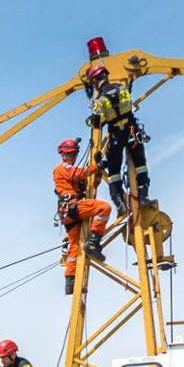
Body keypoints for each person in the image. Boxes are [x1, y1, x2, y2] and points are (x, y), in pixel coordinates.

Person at [85, 62, 154, 216]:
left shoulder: (100, 101)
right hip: (131, 132)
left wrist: (92, 119)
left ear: (95, 82)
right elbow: (129, 106)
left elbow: (97, 124)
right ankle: (143, 196)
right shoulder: (122, 89)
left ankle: (119, 202)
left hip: (116, 135)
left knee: (114, 170)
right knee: (140, 163)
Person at [52, 137, 110, 295]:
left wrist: (98, 169)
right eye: (70, 154)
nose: (73, 157)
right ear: (63, 154)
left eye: (74, 154)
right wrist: (95, 166)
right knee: (104, 208)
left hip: (69, 212)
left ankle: (70, 280)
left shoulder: (71, 173)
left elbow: (91, 183)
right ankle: (93, 241)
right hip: (71, 208)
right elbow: (80, 174)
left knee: (75, 246)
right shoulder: (62, 168)